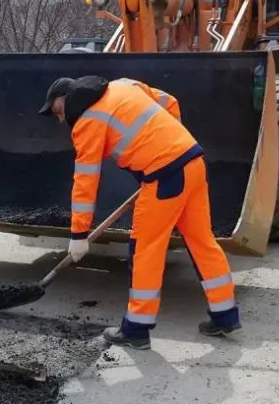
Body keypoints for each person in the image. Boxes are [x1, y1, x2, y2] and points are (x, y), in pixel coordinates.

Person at [39, 75, 241, 350]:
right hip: (193, 162)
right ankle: (225, 315)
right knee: (202, 241)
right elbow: (170, 102)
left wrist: (78, 234)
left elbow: (86, 181)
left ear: (68, 96)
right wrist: (170, 145)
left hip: (166, 178)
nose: (61, 119)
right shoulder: (123, 85)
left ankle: (136, 329)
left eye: (59, 111)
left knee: (145, 249)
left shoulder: (87, 122)